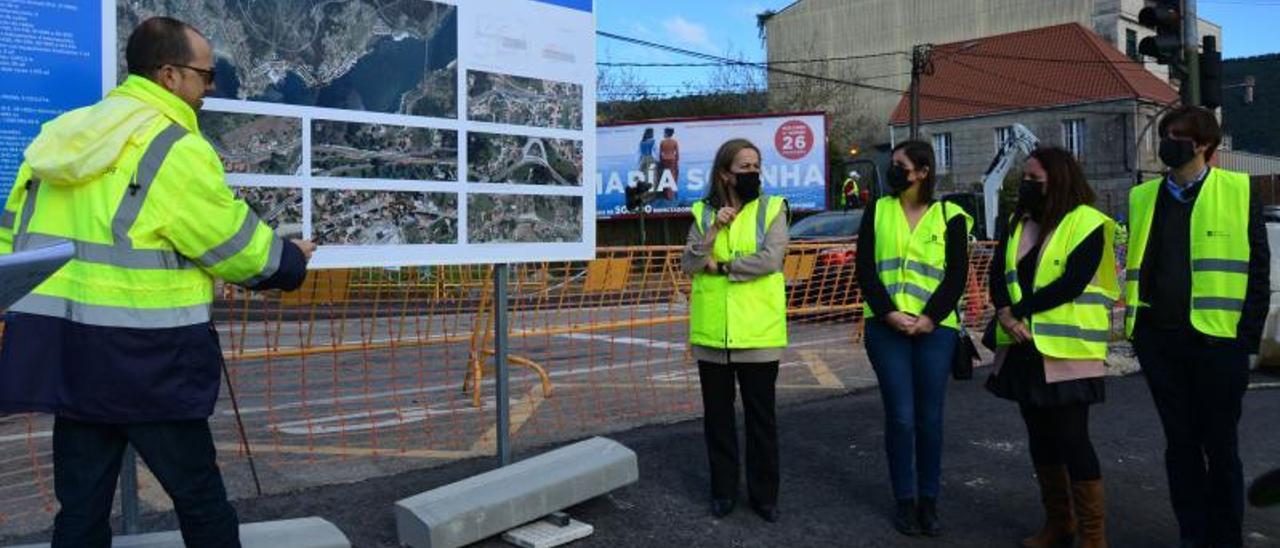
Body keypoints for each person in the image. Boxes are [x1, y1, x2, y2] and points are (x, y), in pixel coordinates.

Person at [0, 17, 315, 547]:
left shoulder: (61, 138)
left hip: (71, 361)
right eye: (206, 74)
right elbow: (237, 250)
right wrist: (290, 259)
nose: (210, 87)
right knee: (201, 503)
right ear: (170, 76)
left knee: (79, 513)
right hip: (149, 363)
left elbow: (13, 238)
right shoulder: (175, 148)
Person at [1126, 106, 1269, 548]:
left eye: (1178, 135)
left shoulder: (1239, 190)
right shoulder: (1142, 196)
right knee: (1180, 446)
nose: (1168, 140)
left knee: (1221, 447)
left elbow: (1257, 274)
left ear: (1204, 144)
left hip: (1219, 343)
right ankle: (1193, 533)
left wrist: (1246, 340)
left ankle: (1225, 538)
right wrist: (1140, 334)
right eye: (1166, 133)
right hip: (1161, 342)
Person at [985, 147, 1118, 548]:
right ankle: (1060, 524)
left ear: (1057, 181)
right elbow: (998, 273)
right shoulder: (1018, 221)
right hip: (1024, 349)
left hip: (1068, 350)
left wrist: (1017, 311)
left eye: (1033, 180)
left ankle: (1094, 537)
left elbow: (1071, 283)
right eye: (1024, 178)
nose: (1025, 185)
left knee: (1073, 440)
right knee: (1040, 439)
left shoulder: (1087, 222)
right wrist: (1006, 315)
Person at [855, 140, 971, 537]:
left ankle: (930, 501)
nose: (894, 169)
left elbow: (956, 275)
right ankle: (905, 500)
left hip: (934, 330)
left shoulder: (951, 215)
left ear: (922, 172)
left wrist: (928, 319)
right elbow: (865, 269)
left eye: (901, 164)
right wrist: (889, 313)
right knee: (901, 418)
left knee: (929, 418)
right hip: (886, 327)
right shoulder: (878, 210)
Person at [680, 138, 789, 523]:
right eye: (744, 167)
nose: (753, 173)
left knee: (762, 420)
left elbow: (771, 259)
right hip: (713, 337)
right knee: (718, 420)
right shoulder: (702, 212)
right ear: (725, 173)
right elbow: (689, 263)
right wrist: (712, 231)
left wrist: (724, 266)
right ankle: (723, 491)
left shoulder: (772, 208)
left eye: (756, 166)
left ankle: (764, 496)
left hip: (758, 333)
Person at [659, 127, 680, 199]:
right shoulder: (674, 142)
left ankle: (667, 195)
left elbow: (660, 154)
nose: (663, 134)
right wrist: (676, 163)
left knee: (666, 177)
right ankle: (671, 195)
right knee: (672, 177)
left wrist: (661, 162)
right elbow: (677, 154)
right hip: (672, 160)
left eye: (664, 132)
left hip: (664, 160)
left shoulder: (662, 142)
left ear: (666, 133)